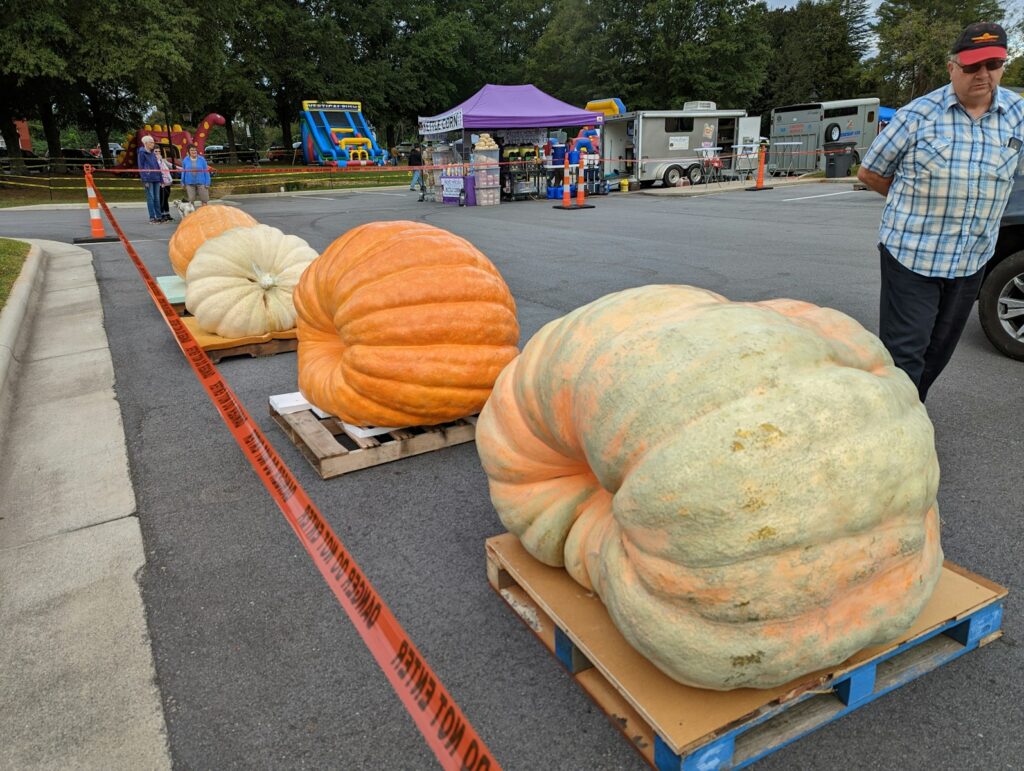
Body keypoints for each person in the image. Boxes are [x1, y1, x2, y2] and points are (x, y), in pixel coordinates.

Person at [857, 21, 1024, 402]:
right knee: (905, 354)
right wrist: (915, 206)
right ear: (952, 68)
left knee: (938, 352)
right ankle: (894, 430)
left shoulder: (1017, 114)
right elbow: (870, 172)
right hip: (913, 255)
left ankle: (911, 411)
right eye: (971, 67)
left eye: (993, 64)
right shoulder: (918, 116)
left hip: (972, 259)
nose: (982, 75)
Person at [137, 135, 164, 224]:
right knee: (150, 198)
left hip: (156, 177)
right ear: (146, 143)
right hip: (148, 178)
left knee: (157, 198)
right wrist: (144, 180)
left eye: (153, 142)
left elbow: (157, 166)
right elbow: (141, 167)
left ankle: (159, 216)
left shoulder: (153, 153)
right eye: (151, 142)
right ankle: (152, 217)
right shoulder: (142, 152)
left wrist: (161, 179)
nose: (153, 144)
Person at [154, 146, 173, 222]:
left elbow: (171, 166)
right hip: (160, 183)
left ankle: (167, 213)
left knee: (166, 198)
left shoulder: (163, 160)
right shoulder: (153, 161)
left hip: (167, 182)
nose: (158, 153)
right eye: (156, 151)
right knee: (161, 199)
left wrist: (182, 168)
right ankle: (161, 214)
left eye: (159, 151)